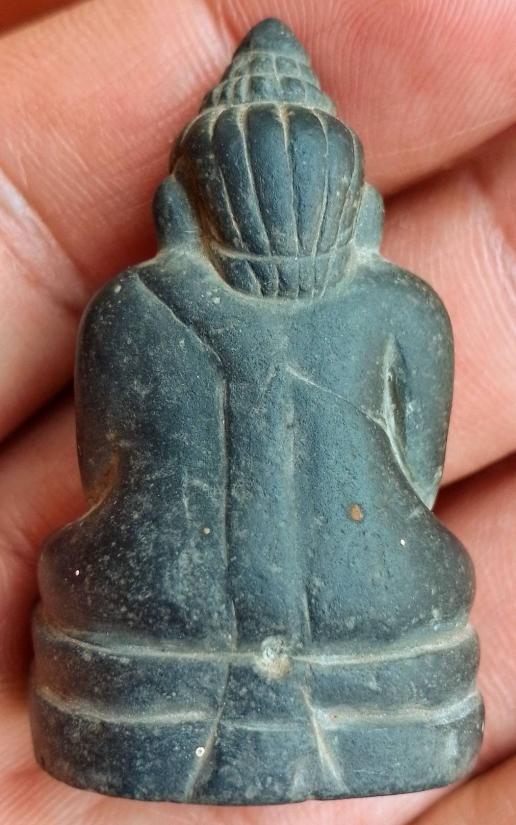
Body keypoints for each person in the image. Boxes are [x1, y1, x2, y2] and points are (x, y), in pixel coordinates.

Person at [0, 0, 515, 822]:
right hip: (371, 625)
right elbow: (418, 482)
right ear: (361, 210)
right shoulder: (403, 304)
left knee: (89, 574)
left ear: (179, 205)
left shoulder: (131, 304)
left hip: (157, 633)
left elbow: (103, 470)